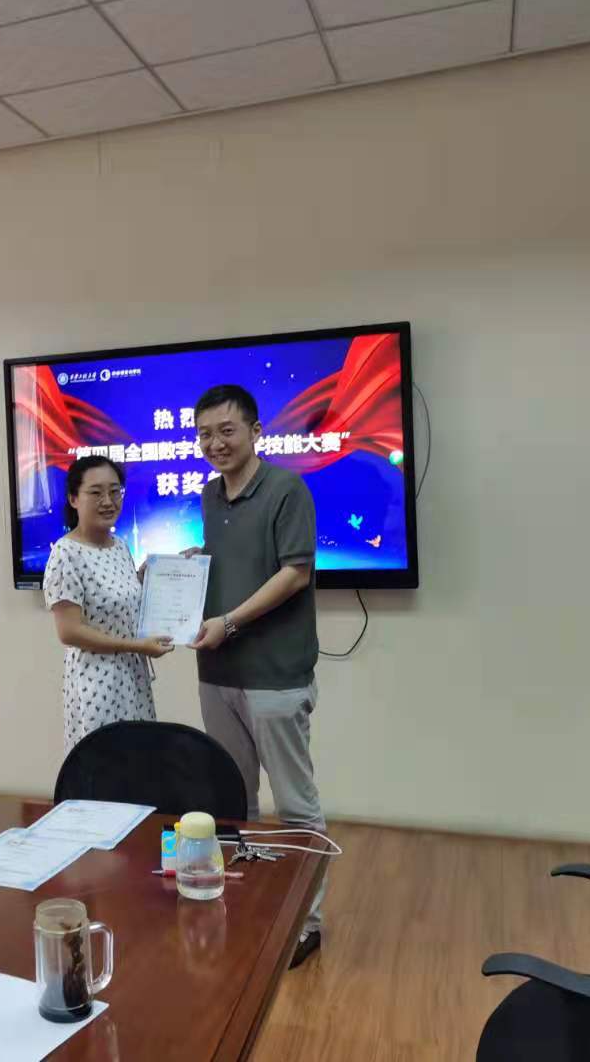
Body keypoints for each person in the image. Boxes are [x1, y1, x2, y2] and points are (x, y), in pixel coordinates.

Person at [188, 384, 328, 969]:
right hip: (218, 671)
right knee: (233, 799)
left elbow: (294, 573)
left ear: (255, 431)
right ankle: (248, 908)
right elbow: (233, 559)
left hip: (275, 674)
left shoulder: (286, 489)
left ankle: (306, 922)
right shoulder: (209, 495)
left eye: (226, 430)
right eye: (204, 434)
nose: (215, 443)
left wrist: (229, 622)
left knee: (294, 805)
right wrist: (188, 566)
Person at [44, 455, 174, 752]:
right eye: (96, 492)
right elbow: (69, 632)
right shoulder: (65, 554)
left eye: (115, 492)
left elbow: (120, 598)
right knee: (106, 764)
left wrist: (167, 572)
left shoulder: (119, 546)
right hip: (97, 682)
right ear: (73, 498)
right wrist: (137, 646)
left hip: (132, 676)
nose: (108, 501)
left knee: (138, 760)